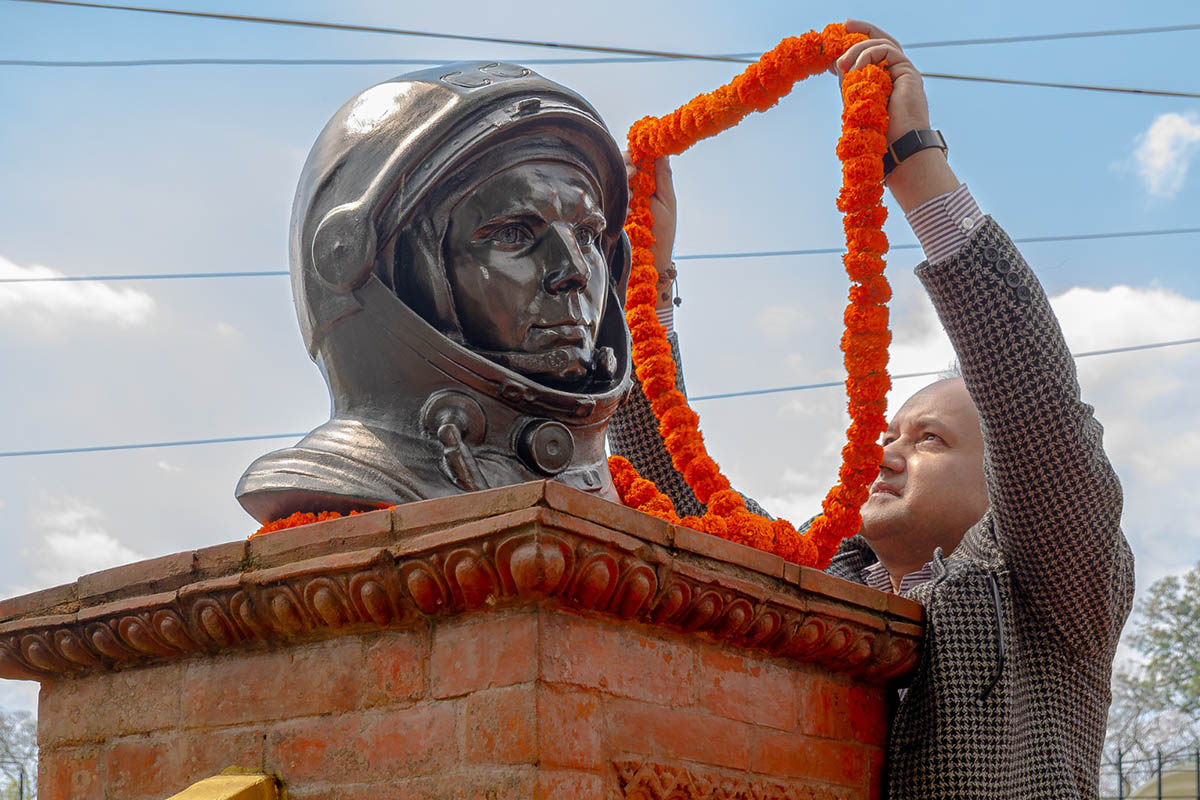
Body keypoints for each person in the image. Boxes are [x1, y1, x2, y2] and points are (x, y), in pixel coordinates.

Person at [608, 21, 1134, 800]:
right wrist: (644, 276)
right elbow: (674, 491)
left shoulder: (1055, 591)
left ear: (1009, 484)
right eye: (889, 432)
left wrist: (914, 165)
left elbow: (1037, 409)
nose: (884, 454)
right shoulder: (818, 576)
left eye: (930, 440)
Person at [236, 62, 635, 523]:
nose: (575, 271)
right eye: (512, 234)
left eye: (586, 235)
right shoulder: (344, 481)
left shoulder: (626, 496)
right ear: (399, 271)